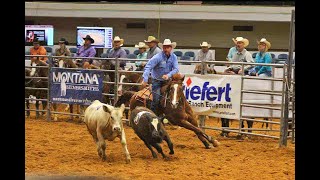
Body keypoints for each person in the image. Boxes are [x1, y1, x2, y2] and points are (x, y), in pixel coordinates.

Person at [142, 39, 179, 116]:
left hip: (168, 81)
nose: (166, 49)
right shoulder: (157, 57)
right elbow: (148, 67)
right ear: (163, 48)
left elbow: (176, 69)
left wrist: (168, 75)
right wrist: (145, 79)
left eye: (168, 47)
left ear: (171, 48)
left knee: (174, 96)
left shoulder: (174, 57)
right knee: (156, 99)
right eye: (164, 47)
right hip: (157, 81)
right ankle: (152, 116)